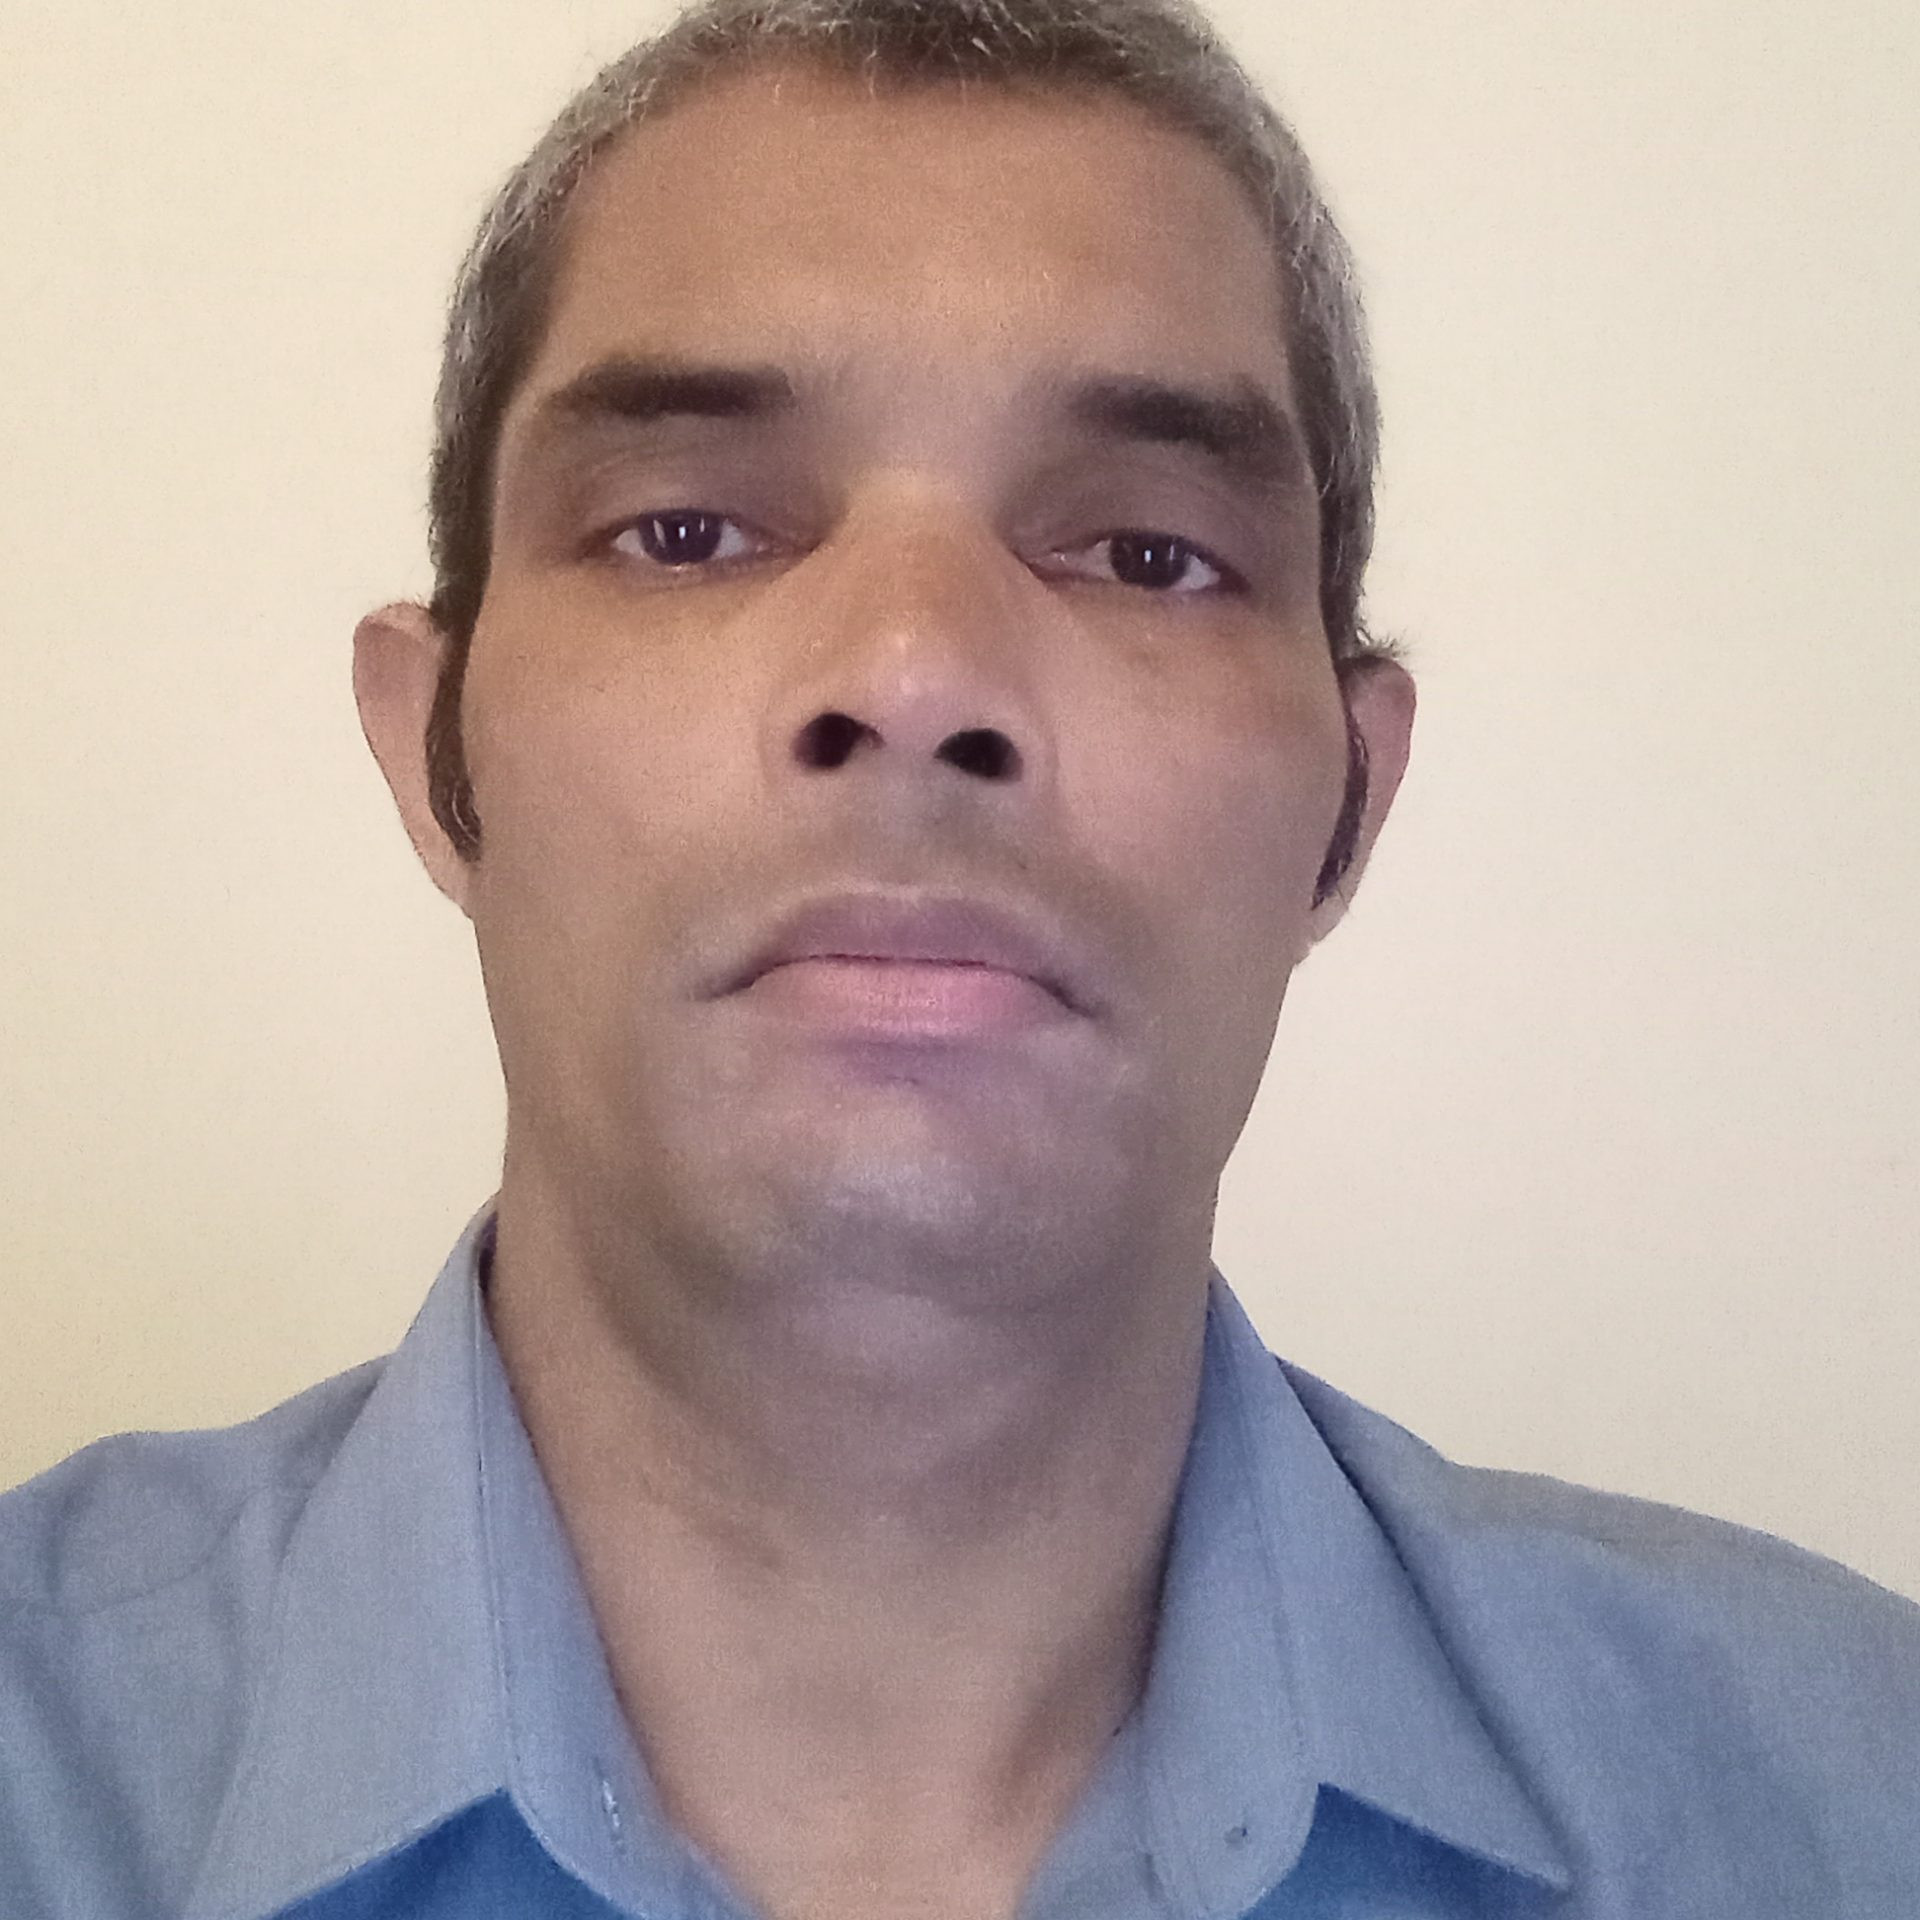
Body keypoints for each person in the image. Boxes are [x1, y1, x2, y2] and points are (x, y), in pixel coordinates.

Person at [3, 0, 1916, 1914]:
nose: (917, 675)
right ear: (437, 758)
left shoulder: (1852, 1800)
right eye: (687, 531)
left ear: (1350, 802)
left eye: (1148, 556)